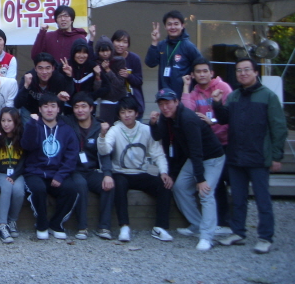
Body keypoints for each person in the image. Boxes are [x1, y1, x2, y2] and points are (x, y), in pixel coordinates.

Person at [212, 57, 287, 254]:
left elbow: (279, 127)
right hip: (236, 155)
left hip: (259, 156)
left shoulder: (268, 96)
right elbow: (224, 119)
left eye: (246, 69)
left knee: (263, 199)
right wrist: (217, 103)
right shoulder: (234, 96)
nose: (242, 73)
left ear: (255, 72)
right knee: (238, 198)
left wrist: (276, 156)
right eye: (239, 70)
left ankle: (265, 237)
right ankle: (238, 232)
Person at [149, 88, 225, 251]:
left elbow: (197, 150)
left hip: (211, 157)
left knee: (206, 192)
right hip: (194, 158)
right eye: (161, 104)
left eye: (168, 103)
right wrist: (153, 124)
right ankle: (197, 224)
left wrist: (200, 179)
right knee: (179, 187)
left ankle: (207, 236)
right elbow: (158, 136)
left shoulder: (187, 118)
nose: (165, 107)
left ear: (176, 102)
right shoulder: (167, 118)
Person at [97, 95, 173, 243]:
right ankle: (124, 226)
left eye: (130, 111)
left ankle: (160, 227)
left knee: (164, 185)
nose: (127, 115)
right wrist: (102, 136)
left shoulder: (146, 129)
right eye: (123, 112)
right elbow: (105, 150)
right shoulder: (115, 130)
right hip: (121, 172)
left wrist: (164, 172)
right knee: (118, 184)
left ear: (136, 113)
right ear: (119, 115)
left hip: (141, 173)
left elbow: (157, 154)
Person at [180, 58, 233, 234]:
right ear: (193, 75)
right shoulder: (195, 92)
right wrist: (186, 87)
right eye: (198, 72)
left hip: (224, 142)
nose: (202, 74)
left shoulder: (223, 88)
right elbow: (187, 112)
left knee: (225, 183)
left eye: (205, 71)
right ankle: (214, 223)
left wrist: (213, 121)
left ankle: (228, 224)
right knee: (214, 186)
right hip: (206, 144)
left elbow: (230, 114)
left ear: (211, 73)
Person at [21, 93, 79, 240]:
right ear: (40, 109)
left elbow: (71, 156)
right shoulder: (34, 125)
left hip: (56, 172)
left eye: (53, 106)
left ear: (58, 109)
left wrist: (60, 175)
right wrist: (32, 126)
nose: (49, 109)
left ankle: (56, 224)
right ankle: (41, 224)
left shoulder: (67, 130)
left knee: (71, 189)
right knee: (38, 189)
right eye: (45, 106)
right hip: (35, 172)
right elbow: (27, 146)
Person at [68, 92, 114, 240]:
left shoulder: (100, 126)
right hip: (75, 170)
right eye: (76, 107)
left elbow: (104, 153)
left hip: (93, 170)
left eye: (83, 106)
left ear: (91, 108)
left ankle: (104, 227)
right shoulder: (68, 123)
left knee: (108, 185)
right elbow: (52, 112)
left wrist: (107, 174)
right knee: (80, 185)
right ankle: (82, 227)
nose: (80, 110)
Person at [0, 107, 25, 243]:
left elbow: (24, 161)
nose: (6, 124)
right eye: (3, 120)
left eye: (9, 121)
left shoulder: (21, 137)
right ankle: (2, 225)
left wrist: (14, 176)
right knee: (7, 187)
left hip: (17, 173)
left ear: (16, 122)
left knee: (19, 191)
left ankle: (12, 221)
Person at [145, 10, 202, 94]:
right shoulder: (161, 45)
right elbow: (150, 63)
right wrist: (154, 42)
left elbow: (201, 66)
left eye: (176, 24)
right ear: (165, 27)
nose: (173, 27)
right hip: (165, 95)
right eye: (169, 24)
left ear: (182, 26)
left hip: (184, 95)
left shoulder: (188, 46)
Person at [15, 52, 73, 123]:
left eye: (47, 68)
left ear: (53, 68)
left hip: (51, 111)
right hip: (31, 111)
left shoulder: (58, 78)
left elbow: (68, 95)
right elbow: (17, 104)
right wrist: (26, 86)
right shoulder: (29, 77)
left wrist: (69, 77)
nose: (44, 72)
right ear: (35, 68)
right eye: (40, 68)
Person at [111, 30, 145, 118]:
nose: (121, 44)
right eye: (118, 41)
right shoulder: (108, 58)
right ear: (112, 42)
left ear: (128, 44)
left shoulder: (134, 58)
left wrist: (128, 75)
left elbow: (139, 81)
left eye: (125, 42)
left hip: (133, 102)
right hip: (113, 103)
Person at [93, 36, 127, 123]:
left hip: (120, 99)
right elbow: (97, 89)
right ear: (98, 52)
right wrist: (98, 76)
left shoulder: (119, 61)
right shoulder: (95, 64)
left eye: (107, 51)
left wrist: (108, 70)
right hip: (105, 100)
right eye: (102, 51)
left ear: (112, 50)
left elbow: (119, 84)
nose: (105, 54)